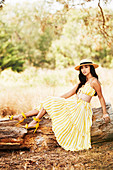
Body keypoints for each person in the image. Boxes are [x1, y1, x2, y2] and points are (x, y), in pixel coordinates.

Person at [9, 59, 110, 151]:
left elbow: (101, 97)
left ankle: (33, 120)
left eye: (86, 67)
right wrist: (55, 100)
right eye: (82, 68)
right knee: (48, 102)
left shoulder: (94, 81)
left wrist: (105, 113)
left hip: (81, 108)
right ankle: (24, 116)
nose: (83, 70)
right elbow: (68, 94)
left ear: (91, 68)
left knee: (48, 102)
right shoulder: (82, 82)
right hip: (74, 105)